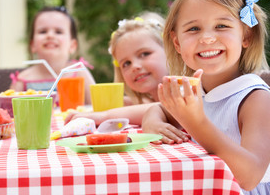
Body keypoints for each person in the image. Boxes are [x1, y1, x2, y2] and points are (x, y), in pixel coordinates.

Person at [142, 0, 270, 193]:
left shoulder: (255, 98)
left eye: (222, 26)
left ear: (246, 35)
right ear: (177, 43)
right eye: (193, 29)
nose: (208, 38)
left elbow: (249, 176)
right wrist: (152, 123)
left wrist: (196, 122)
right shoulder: (197, 90)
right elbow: (158, 108)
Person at [65, 13, 190, 144]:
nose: (134, 66)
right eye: (126, 63)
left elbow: (163, 107)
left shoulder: (186, 89)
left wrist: (104, 116)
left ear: (170, 50)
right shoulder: (145, 99)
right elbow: (141, 105)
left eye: (144, 54)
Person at [9, 6, 95, 104]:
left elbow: (96, 107)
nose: (50, 35)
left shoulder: (79, 72)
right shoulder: (23, 79)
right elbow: (9, 112)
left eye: (58, 32)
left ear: (72, 45)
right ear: (32, 45)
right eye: (43, 31)